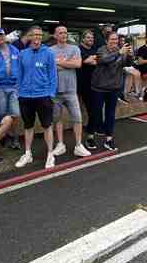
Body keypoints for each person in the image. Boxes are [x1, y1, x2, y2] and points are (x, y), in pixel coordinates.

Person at [14, 26, 57, 169]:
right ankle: (27, 153)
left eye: (39, 35)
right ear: (30, 36)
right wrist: (19, 92)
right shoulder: (22, 54)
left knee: (47, 126)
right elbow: (19, 75)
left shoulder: (49, 53)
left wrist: (50, 94)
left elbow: (53, 75)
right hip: (25, 96)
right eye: (34, 35)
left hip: (43, 95)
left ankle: (50, 154)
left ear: (42, 37)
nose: (37, 37)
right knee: (28, 126)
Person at [49, 26, 91, 158]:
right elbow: (49, 67)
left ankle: (78, 145)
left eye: (65, 33)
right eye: (60, 33)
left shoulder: (74, 48)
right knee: (57, 119)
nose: (63, 35)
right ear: (55, 35)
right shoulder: (49, 51)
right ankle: (60, 144)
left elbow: (78, 64)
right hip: (55, 91)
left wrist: (60, 63)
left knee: (77, 118)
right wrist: (68, 63)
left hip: (71, 90)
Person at [91, 32, 133, 151]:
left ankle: (109, 139)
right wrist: (119, 53)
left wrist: (129, 55)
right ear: (106, 40)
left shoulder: (121, 50)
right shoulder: (101, 50)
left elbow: (128, 64)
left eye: (116, 39)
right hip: (99, 87)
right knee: (96, 113)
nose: (115, 41)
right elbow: (104, 60)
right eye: (112, 39)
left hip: (114, 88)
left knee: (110, 114)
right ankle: (90, 136)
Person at [77, 30, 100, 151]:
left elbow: (97, 62)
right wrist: (90, 59)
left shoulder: (94, 50)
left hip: (94, 85)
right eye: (88, 37)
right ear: (83, 38)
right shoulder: (78, 49)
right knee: (82, 113)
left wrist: (92, 59)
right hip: (80, 86)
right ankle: (83, 139)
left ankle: (90, 136)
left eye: (92, 38)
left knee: (94, 111)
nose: (91, 39)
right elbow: (86, 61)